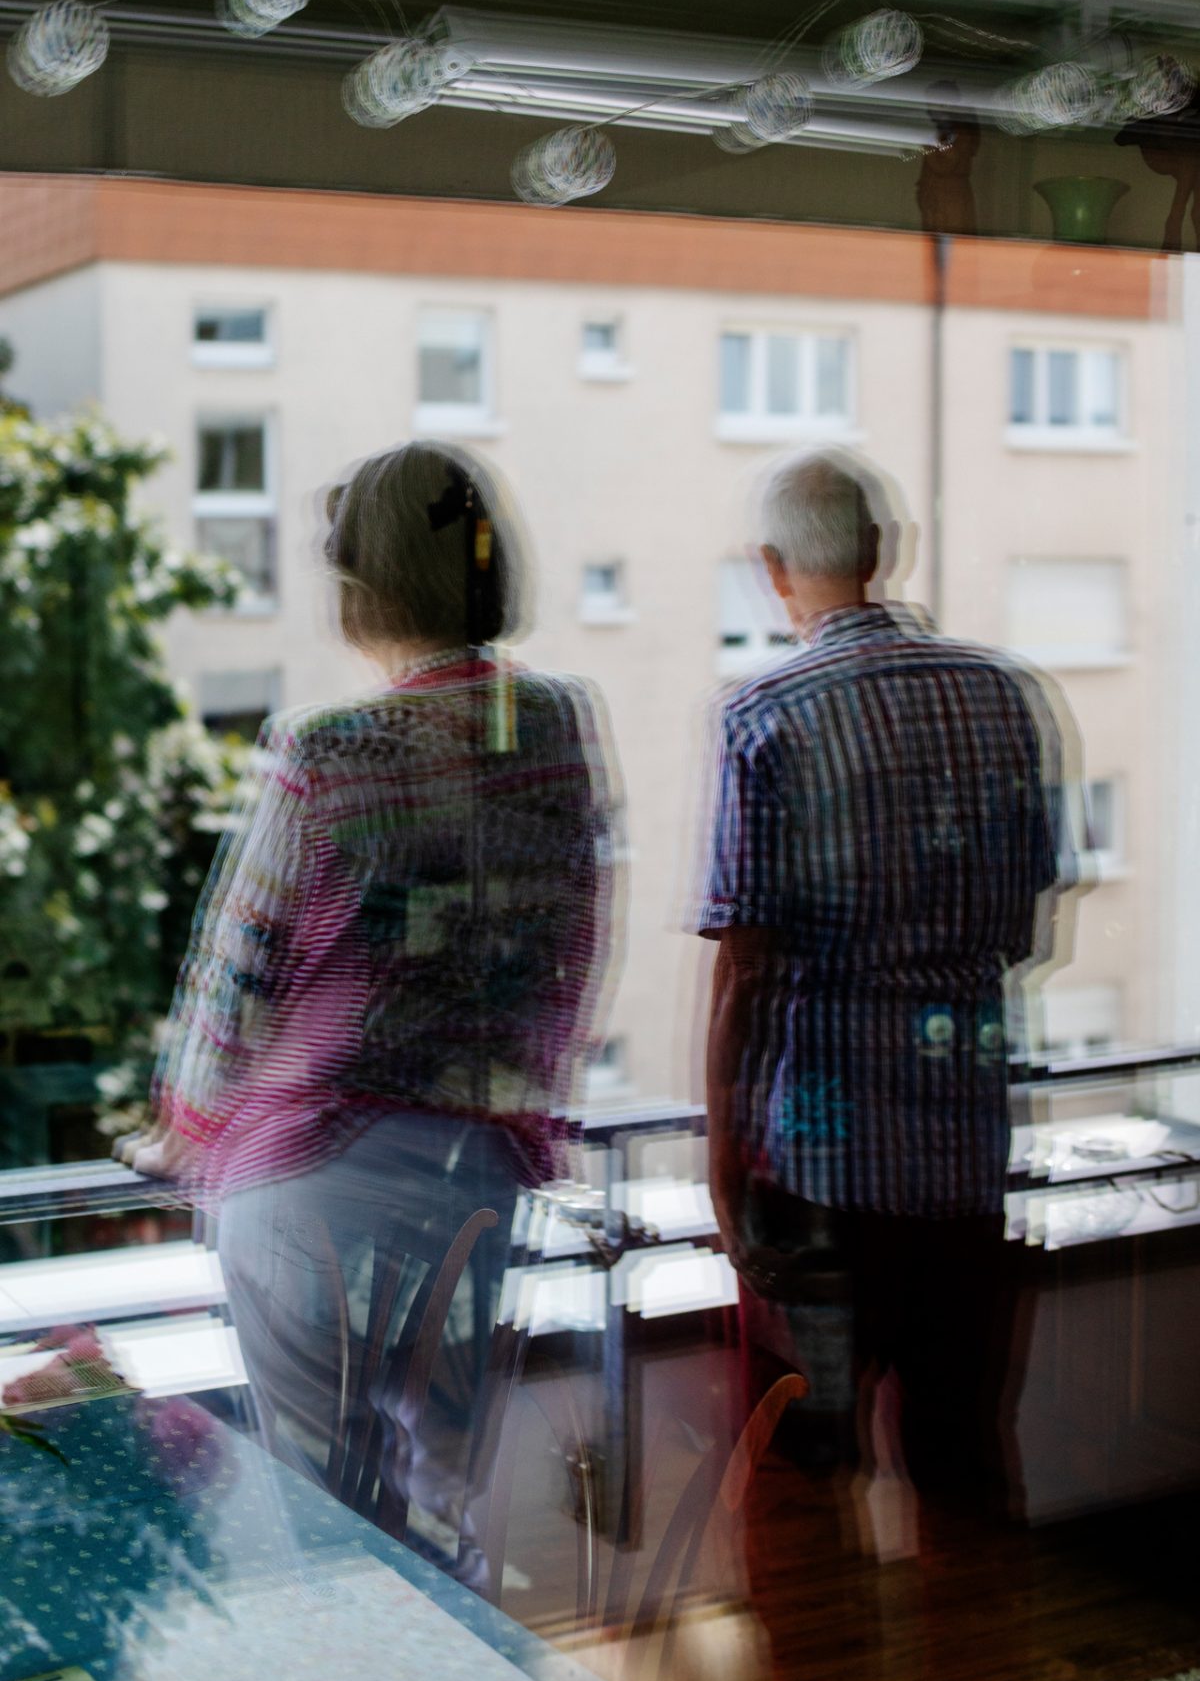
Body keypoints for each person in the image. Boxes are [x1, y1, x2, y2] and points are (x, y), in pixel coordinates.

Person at [118, 441, 622, 1574]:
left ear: (362, 587)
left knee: (329, 1522)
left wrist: (182, 1128)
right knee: (448, 1510)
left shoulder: (324, 747)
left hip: (313, 1186)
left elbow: (238, 966)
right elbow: (576, 930)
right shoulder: (554, 729)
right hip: (471, 1183)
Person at [691, 448, 1076, 1511]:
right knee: (963, 1458)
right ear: (881, 552)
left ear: (775, 569)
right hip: (963, 1164)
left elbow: (744, 969)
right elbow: (1027, 917)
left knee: (802, 1492)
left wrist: (724, 1164)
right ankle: (987, 1676)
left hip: (820, 1178)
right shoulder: (1004, 696)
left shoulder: (765, 713)